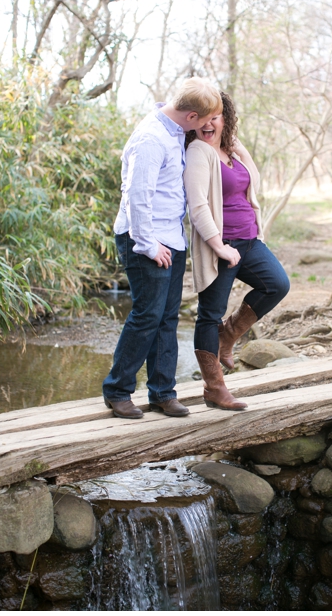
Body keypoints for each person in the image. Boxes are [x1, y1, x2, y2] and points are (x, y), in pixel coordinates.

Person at [102, 78, 223, 419]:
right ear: (191, 116)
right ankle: (117, 390)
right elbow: (137, 197)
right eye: (205, 119)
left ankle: (162, 393)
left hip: (171, 238)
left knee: (167, 319)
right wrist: (147, 244)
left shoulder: (175, 132)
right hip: (146, 240)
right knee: (147, 316)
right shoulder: (151, 138)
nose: (207, 126)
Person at [184, 91, 290, 411]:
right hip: (221, 245)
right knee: (208, 315)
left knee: (277, 284)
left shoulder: (230, 149)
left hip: (249, 240)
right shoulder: (199, 152)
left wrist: (235, 143)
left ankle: (227, 337)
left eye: (216, 116)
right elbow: (198, 204)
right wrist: (218, 246)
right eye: (203, 118)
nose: (208, 123)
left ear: (226, 118)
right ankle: (215, 389)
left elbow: (253, 181)